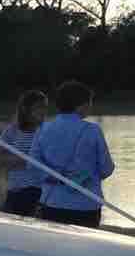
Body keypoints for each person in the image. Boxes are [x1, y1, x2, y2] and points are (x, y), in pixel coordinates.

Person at [29, 79, 114, 228]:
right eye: (90, 102)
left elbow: (32, 166)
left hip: (52, 202)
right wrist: (80, 178)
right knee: (85, 249)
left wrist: (58, 179)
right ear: (81, 105)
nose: (91, 106)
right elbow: (107, 169)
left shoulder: (43, 129)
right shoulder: (93, 130)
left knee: (53, 248)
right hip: (86, 204)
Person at [0, 89, 48, 216]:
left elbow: (52, 161)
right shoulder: (12, 130)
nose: (43, 111)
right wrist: (24, 161)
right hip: (14, 192)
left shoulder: (47, 131)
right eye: (39, 107)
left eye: (45, 107)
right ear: (26, 109)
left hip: (38, 193)